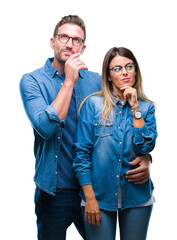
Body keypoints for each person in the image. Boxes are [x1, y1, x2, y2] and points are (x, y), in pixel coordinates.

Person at [19, 14, 152, 240]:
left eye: (76, 40)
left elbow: (123, 124)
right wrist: (69, 81)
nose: (69, 44)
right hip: (54, 190)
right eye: (64, 37)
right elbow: (46, 129)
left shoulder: (96, 80)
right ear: (53, 42)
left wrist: (145, 157)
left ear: (83, 47)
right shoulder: (32, 81)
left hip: (95, 189)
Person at [72, 47, 157, 240]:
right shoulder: (92, 105)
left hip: (137, 197)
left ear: (136, 70)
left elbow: (146, 146)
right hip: (98, 198)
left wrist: (135, 106)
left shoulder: (146, 107)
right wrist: (90, 198)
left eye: (129, 66)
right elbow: (82, 154)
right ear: (109, 76)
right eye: (117, 68)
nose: (125, 72)